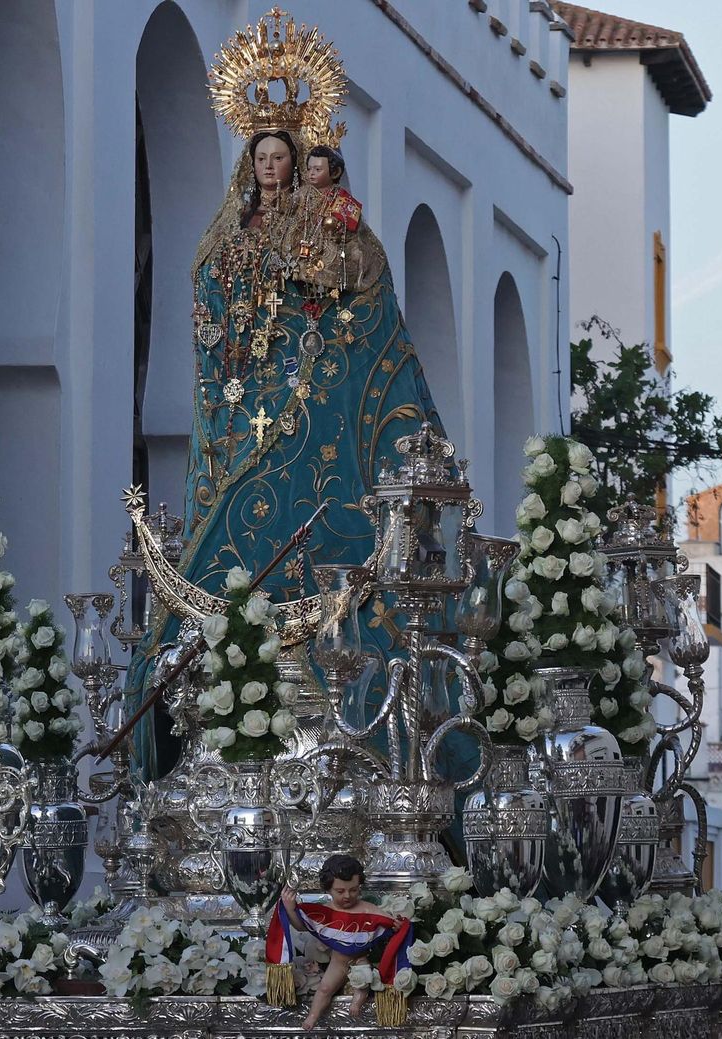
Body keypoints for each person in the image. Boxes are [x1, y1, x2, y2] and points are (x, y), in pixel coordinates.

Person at [130, 6, 457, 780]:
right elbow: (210, 300)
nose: (275, 168)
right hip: (248, 407)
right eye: (264, 158)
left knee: (319, 514)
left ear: (302, 159)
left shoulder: (329, 227)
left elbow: (359, 292)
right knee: (233, 532)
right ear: (250, 163)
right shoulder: (230, 240)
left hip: (309, 404)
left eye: (285, 156)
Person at [275, 854, 402, 1030]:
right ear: (328, 889)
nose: (347, 896)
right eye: (340, 891)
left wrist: (397, 925)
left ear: (359, 887)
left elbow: (387, 921)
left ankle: (356, 1004)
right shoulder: (327, 911)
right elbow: (302, 926)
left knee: (363, 982)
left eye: (354, 890)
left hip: (360, 958)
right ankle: (312, 1016)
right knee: (325, 989)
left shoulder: (366, 909)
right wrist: (290, 908)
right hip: (338, 961)